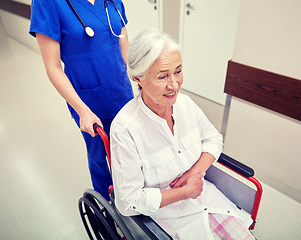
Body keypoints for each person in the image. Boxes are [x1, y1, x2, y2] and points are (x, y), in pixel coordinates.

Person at [110, 29, 255, 240]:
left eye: (178, 72)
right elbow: (127, 202)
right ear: (138, 78)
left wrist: (195, 173)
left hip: (208, 200)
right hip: (166, 218)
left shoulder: (186, 105)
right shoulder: (125, 129)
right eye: (162, 76)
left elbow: (213, 139)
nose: (174, 84)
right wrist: (184, 192)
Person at [29, 0, 133, 200]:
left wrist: (143, 79)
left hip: (122, 92)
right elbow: (53, 68)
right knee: (100, 158)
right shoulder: (47, 3)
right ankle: (107, 205)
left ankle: (135, 198)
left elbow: (124, 48)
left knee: (130, 151)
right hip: (88, 101)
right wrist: (83, 111)